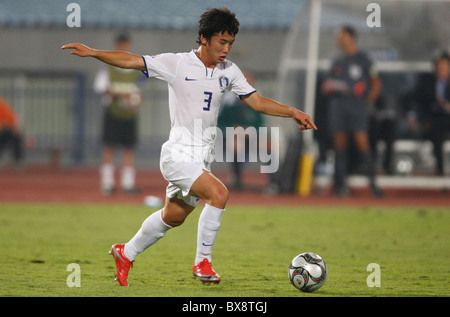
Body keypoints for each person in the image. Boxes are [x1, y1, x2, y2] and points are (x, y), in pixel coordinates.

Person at [62, 7, 316, 286]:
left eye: (230, 43)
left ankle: (126, 252)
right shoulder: (178, 63)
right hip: (178, 154)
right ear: (204, 38)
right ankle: (202, 262)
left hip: (201, 158)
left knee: (174, 216)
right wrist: (93, 51)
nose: (226, 49)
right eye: (222, 42)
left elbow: (257, 101)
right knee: (219, 194)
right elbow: (132, 61)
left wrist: (292, 112)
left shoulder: (229, 71)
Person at [322, 25, 383, 197]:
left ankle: (373, 185)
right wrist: (329, 87)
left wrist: (366, 104)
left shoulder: (365, 60)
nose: (338, 40)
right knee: (339, 145)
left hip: (357, 108)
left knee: (362, 143)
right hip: (338, 108)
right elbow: (326, 86)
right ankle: (340, 186)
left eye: (342, 36)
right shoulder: (337, 62)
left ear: (351, 37)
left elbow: (376, 85)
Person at [93, 33, 145, 195]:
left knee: (128, 148)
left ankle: (128, 184)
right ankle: (107, 183)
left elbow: (141, 90)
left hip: (130, 114)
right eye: (121, 44)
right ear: (117, 45)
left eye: (126, 44)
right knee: (109, 146)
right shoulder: (108, 65)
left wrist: (136, 100)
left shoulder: (135, 67)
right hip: (113, 112)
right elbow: (100, 87)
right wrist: (122, 95)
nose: (124, 47)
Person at [217, 70, 264, 190]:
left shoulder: (257, 99)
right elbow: (220, 122)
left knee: (271, 145)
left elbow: (260, 123)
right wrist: (234, 129)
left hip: (252, 137)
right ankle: (237, 180)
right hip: (231, 138)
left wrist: (252, 132)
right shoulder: (228, 100)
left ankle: (276, 183)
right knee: (237, 142)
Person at [412, 52, 450, 176]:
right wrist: (414, 116)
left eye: (445, 65)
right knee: (436, 131)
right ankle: (440, 170)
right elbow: (415, 99)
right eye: (439, 65)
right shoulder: (427, 81)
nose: (442, 68)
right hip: (434, 118)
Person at [0, 96, 24, 168]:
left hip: (2, 132)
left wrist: (16, 128)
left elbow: (12, 118)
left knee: (16, 135)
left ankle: (18, 160)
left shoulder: (1, 104)